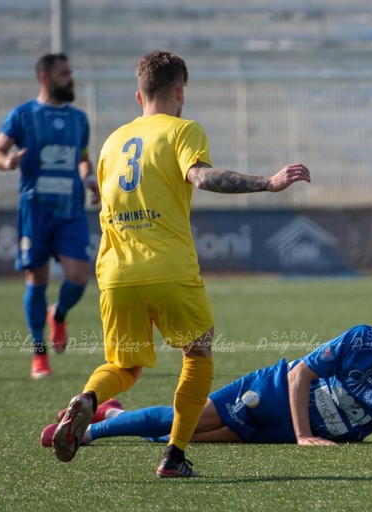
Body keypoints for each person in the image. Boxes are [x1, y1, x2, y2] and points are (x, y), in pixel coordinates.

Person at [50, 50, 311, 478]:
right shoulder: (182, 130)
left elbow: (100, 195)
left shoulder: (112, 142)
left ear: (139, 96)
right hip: (168, 269)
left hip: (116, 274)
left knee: (123, 367)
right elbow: (202, 177)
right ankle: (173, 455)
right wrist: (268, 182)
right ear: (179, 92)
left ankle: (89, 400)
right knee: (198, 354)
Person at [41, 319, 372, 448]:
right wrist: (302, 435)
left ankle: (116, 411)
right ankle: (88, 433)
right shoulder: (361, 339)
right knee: (187, 422)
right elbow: (300, 375)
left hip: (289, 431)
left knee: (186, 438)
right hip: (275, 394)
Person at [0, 53, 101, 380]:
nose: (71, 79)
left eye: (71, 73)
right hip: (35, 210)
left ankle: (59, 315)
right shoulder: (22, 116)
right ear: (45, 77)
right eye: (65, 74)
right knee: (36, 279)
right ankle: (39, 354)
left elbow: (81, 158)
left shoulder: (80, 119)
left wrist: (88, 177)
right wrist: (6, 162)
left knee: (79, 275)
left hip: (71, 211)